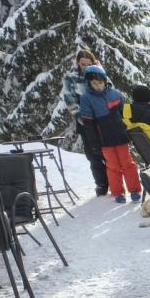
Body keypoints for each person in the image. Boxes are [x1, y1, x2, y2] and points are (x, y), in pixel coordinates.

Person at [77, 65, 141, 204]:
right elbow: (88, 123)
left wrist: (129, 131)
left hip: (121, 136)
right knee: (113, 166)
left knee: (128, 163)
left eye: (100, 82)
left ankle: (135, 190)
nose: (98, 86)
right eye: (94, 83)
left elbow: (125, 115)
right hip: (104, 139)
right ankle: (118, 192)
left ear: (105, 81)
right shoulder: (86, 98)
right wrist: (94, 142)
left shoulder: (115, 94)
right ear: (89, 83)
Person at [62, 49, 108, 196]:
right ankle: (101, 184)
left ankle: (114, 180)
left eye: (89, 64)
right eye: (83, 64)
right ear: (78, 63)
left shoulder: (100, 74)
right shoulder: (71, 78)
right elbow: (70, 102)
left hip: (104, 120)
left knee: (109, 153)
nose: (86, 67)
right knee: (93, 155)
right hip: (86, 123)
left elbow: (110, 92)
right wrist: (84, 119)